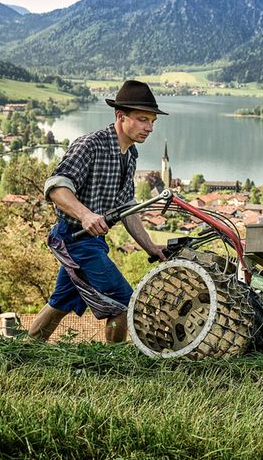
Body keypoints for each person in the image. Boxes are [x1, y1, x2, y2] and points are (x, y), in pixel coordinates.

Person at [29, 80, 168, 342]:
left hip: (93, 242)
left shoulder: (130, 154)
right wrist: (85, 215)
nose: (149, 127)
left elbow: (127, 207)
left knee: (60, 302)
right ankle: (112, 364)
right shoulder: (90, 145)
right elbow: (56, 187)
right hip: (75, 239)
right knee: (124, 303)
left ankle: (27, 347)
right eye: (142, 119)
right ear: (120, 116)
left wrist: (151, 247)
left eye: (152, 121)